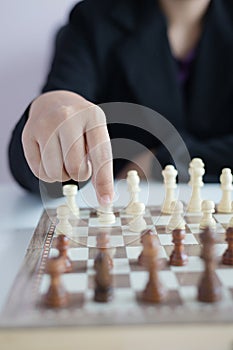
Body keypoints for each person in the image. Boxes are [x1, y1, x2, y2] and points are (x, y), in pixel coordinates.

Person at [8, 0, 233, 201]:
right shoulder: (94, 18)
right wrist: (49, 114)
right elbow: (58, 121)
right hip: (122, 210)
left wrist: (166, 161)